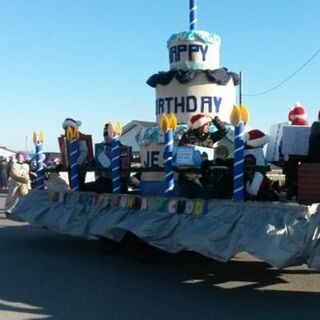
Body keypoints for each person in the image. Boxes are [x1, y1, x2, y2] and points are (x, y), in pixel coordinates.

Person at [178, 113, 227, 198]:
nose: (208, 126)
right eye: (206, 124)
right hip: (189, 177)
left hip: (205, 175)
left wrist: (214, 119)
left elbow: (223, 131)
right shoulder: (187, 137)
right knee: (188, 201)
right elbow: (182, 156)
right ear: (200, 125)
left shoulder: (209, 137)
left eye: (209, 124)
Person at [62, 118, 89, 191]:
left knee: (79, 186)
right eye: (66, 128)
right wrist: (64, 164)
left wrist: (77, 163)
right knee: (72, 185)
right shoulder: (65, 139)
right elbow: (65, 153)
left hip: (80, 167)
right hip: (70, 167)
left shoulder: (80, 137)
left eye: (69, 128)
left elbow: (84, 152)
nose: (67, 130)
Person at [5, 152, 30, 216]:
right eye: (18, 157)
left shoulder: (26, 165)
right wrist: (21, 177)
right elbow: (14, 174)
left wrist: (28, 182)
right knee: (12, 196)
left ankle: (23, 210)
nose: (20, 158)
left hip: (23, 184)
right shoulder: (13, 165)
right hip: (14, 183)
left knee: (23, 197)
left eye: (21, 157)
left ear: (24, 158)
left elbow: (27, 174)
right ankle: (8, 209)